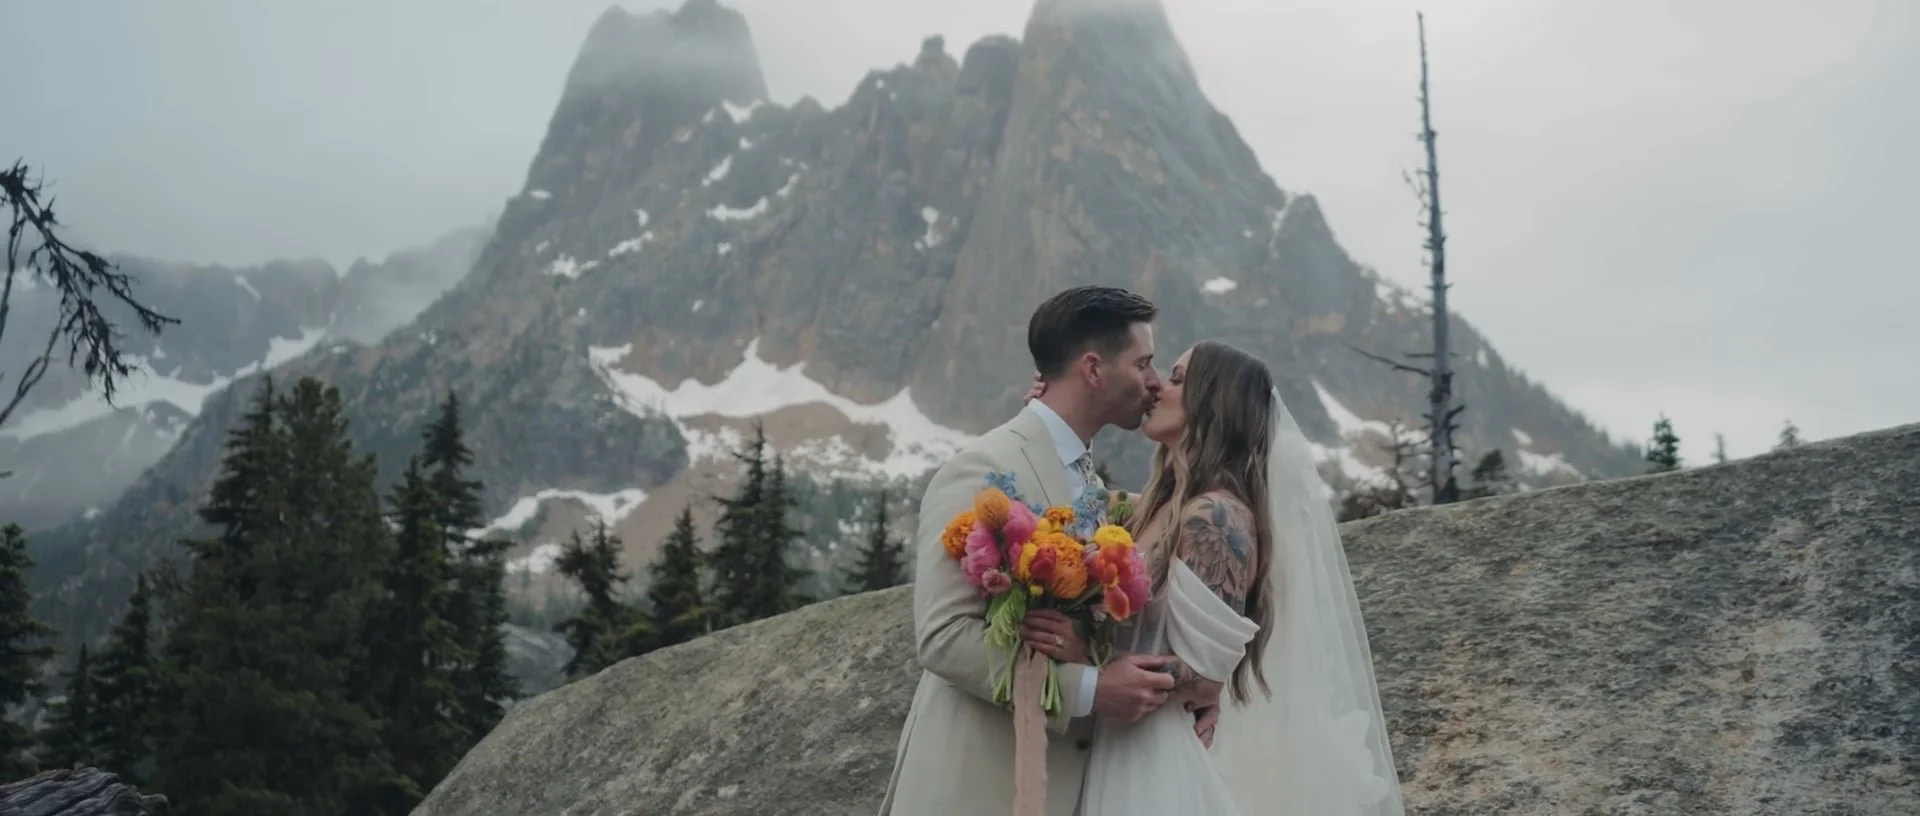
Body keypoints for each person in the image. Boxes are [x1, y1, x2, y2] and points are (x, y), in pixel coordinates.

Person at [1020, 341, 1405, 815]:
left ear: (1212, 404)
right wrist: (1053, 417)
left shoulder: (1216, 516)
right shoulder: (1161, 505)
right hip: (1117, 744)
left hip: (1156, 762)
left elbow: (1203, 676)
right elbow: (1079, 502)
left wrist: (1088, 655)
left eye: (1178, 379)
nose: (1158, 386)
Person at [879, 286, 1198, 815]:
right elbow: (943, 637)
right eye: (1143, 363)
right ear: (1093, 369)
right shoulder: (983, 469)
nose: (1154, 382)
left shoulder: (1090, 482)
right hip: (977, 788)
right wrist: (1090, 689)